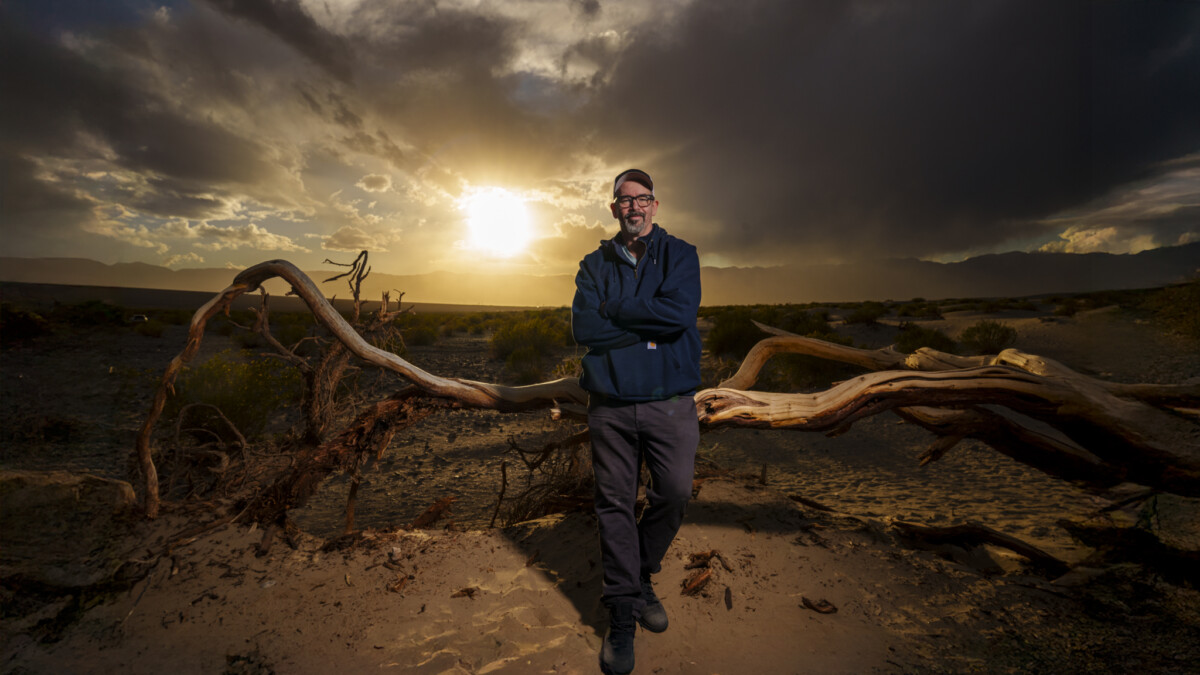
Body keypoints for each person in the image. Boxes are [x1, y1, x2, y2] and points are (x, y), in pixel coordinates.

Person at [571, 169, 702, 674]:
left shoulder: (681, 255)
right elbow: (585, 327)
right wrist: (648, 324)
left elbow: (679, 316)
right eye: (625, 200)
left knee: (675, 492)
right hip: (609, 402)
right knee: (615, 504)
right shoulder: (592, 264)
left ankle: (640, 571)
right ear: (614, 208)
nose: (634, 207)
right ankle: (623, 610)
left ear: (655, 204)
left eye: (642, 198)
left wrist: (616, 311)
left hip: (670, 400)